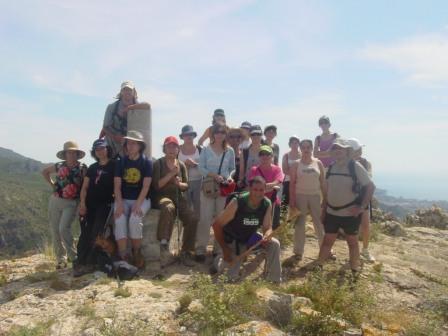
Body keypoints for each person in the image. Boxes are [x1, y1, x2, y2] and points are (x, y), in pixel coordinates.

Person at [317, 138, 375, 274]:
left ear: (347, 151)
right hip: (332, 212)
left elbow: (370, 186)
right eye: (335, 149)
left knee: (352, 243)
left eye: (340, 149)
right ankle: (318, 268)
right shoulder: (331, 167)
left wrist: (362, 207)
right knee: (327, 241)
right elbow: (327, 191)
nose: (338, 151)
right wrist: (324, 210)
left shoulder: (355, 166)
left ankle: (354, 272)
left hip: (349, 214)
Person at [212, 176, 281, 283]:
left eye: (261, 190)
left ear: (265, 189)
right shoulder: (237, 202)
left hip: (250, 238)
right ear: (250, 189)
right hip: (232, 241)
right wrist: (225, 250)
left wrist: (267, 235)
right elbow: (217, 225)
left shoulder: (266, 204)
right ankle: (218, 260)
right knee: (230, 277)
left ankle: (273, 280)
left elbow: (267, 227)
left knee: (274, 243)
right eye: (255, 190)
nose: (258, 193)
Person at [152, 136, 198, 267]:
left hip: (179, 196)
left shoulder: (181, 165)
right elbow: (157, 185)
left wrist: (179, 184)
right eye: (169, 146)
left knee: (192, 218)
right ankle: (164, 246)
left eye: (174, 147)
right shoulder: (158, 164)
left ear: (178, 149)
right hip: (163, 196)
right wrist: (171, 174)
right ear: (164, 149)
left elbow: (186, 185)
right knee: (168, 208)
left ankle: (187, 251)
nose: (172, 149)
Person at [42, 141, 87, 269]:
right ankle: (60, 259)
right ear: (65, 154)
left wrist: (83, 202)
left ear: (77, 154)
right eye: (69, 152)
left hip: (72, 203)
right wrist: (52, 185)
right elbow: (45, 172)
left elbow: (85, 185)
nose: (71, 155)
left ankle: (73, 257)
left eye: (74, 152)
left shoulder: (83, 168)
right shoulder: (59, 166)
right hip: (55, 201)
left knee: (63, 228)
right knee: (55, 230)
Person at [75, 139, 115, 276]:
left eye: (102, 148)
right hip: (89, 205)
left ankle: (90, 263)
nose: (100, 151)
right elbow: (84, 188)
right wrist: (82, 203)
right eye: (97, 150)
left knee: (96, 232)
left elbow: (117, 186)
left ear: (107, 149)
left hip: (105, 205)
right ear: (94, 152)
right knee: (85, 234)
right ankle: (81, 262)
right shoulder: (92, 168)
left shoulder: (114, 165)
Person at [196, 124, 235, 262]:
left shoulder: (230, 151)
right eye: (217, 132)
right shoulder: (206, 149)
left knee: (221, 220)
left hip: (223, 188)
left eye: (222, 132)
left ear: (225, 134)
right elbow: (200, 168)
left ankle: (218, 249)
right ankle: (201, 248)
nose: (219, 134)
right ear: (212, 134)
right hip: (208, 187)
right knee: (205, 219)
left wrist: (229, 177)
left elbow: (232, 168)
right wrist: (213, 175)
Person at [114, 130, 152, 268]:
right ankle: (124, 254)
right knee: (119, 219)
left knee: (135, 219)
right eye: (128, 143)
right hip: (123, 198)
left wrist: (138, 203)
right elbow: (117, 186)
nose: (130, 146)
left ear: (140, 146)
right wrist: (119, 204)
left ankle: (137, 252)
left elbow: (146, 186)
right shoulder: (121, 162)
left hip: (142, 198)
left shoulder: (146, 162)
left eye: (134, 143)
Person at [288, 139, 326, 263]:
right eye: (303, 147)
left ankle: (326, 250)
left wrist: (325, 198)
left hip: (315, 196)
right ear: (300, 149)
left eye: (308, 147)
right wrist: (292, 201)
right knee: (300, 224)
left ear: (311, 148)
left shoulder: (318, 163)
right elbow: (292, 184)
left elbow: (323, 182)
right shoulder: (295, 164)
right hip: (300, 196)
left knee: (319, 223)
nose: (306, 150)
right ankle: (298, 252)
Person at [102, 81, 151, 158]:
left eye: (130, 90)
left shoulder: (137, 104)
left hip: (130, 141)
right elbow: (105, 127)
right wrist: (115, 137)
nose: (127, 92)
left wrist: (129, 108)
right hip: (113, 139)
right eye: (125, 90)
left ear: (133, 92)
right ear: (121, 92)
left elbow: (148, 106)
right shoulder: (111, 107)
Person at [348, 138, 375, 262]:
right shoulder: (346, 163)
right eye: (358, 149)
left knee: (365, 225)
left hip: (363, 197)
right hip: (349, 198)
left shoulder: (366, 163)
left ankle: (365, 250)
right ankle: (354, 252)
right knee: (350, 226)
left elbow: (368, 178)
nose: (360, 151)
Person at [248, 145, 284, 229]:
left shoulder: (277, 169)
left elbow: (278, 181)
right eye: (262, 154)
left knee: (273, 227)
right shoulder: (254, 169)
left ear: (272, 156)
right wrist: (270, 186)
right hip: (257, 202)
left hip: (273, 202)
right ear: (259, 156)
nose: (265, 156)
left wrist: (262, 187)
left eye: (267, 154)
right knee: (255, 226)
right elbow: (252, 184)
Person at [179, 125, 202, 215]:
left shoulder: (200, 149)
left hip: (199, 182)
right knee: (186, 209)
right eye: (186, 134)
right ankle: (187, 228)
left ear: (194, 136)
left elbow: (207, 167)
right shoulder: (177, 150)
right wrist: (185, 166)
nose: (188, 136)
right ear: (182, 137)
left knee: (198, 209)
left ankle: (197, 228)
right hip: (183, 183)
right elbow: (172, 166)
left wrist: (195, 164)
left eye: (191, 134)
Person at [238, 125, 263, 189]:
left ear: (261, 135)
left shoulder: (267, 151)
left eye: (258, 134)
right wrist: (240, 182)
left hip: (263, 188)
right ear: (250, 135)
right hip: (247, 187)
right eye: (253, 134)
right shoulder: (244, 152)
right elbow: (241, 171)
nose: (256, 136)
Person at [281, 135, 301, 206]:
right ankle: (283, 217)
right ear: (289, 144)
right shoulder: (286, 155)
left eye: (296, 142)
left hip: (300, 182)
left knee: (298, 204)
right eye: (292, 143)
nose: (294, 144)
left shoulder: (302, 155)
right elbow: (285, 170)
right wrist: (296, 174)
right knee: (284, 204)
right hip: (287, 182)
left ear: (299, 144)